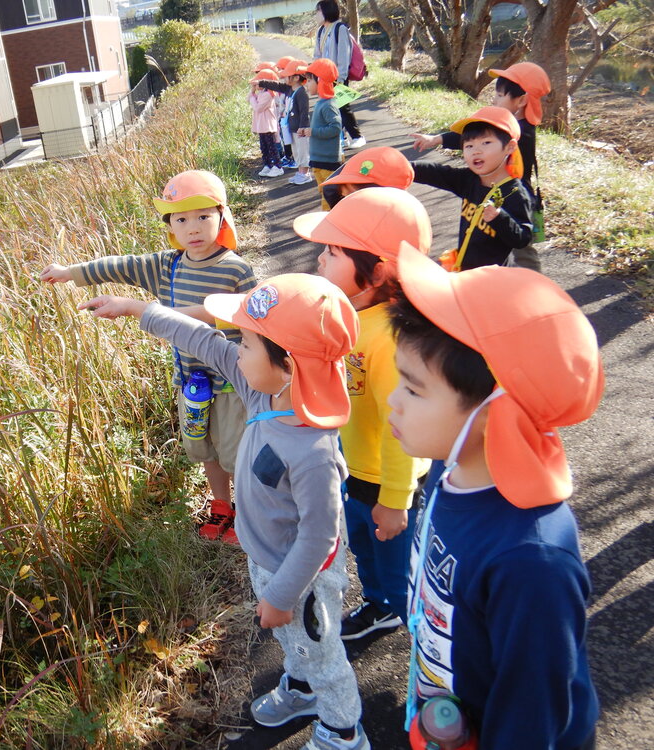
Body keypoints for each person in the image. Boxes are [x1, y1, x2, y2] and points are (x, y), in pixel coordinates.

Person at [79, 274, 369, 750]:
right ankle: (300, 688)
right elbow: (205, 340)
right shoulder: (262, 391)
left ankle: (343, 729)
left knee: (324, 654)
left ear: (289, 365)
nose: (236, 352)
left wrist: (279, 595)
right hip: (270, 559)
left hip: (302, 578)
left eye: (248, 344)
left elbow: (320, 536)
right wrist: (137, 309)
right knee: (299, 646)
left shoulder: (313, 450)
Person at [388, 244, 602, 750]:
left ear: (494, 415)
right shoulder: (451, 464)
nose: (392, 401)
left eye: (414, 390)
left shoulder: (531, 562)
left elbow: (533, 711)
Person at [40, 170, 256, 542]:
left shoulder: (235, 269)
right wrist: (70, 272)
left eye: (203, 216)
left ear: (222, 216)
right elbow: (118, 265)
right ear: (170, 225)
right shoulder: (167, 266)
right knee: (203, 448)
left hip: (232, 382)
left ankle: (250, 517)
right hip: (190, 381)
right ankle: (221, 507)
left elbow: (251, 312)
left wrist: (153, 311)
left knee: (236, 452)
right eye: (181, 218)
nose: (193, 227)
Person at [294, 188, 432, 641]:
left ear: (373, 273)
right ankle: (378, 600)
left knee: (392, 552)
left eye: (332, 253)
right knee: (363, 546)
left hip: (387, 479)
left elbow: (404, 429)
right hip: (354, 467)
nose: (319, 261)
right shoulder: (350, 312)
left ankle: (404, 615)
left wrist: (396, 499)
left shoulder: (388, 339)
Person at [410, 62, 552, 271]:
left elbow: (477, 138)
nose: (494, 100)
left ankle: (531, 286)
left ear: (521, 100)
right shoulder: (475, 174)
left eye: (500, 95)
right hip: (491, 192)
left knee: (522, 252)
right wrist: (437, 140)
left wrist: (438, 140)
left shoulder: (520, 133)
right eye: (470, 146)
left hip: (509, 198)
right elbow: (469, 139)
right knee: (489, 241)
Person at [410, 106, 532, 271]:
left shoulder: (514, 193)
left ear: (510, 147)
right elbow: (437, 173)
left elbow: (522, 238)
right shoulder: (470, 179)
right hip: (464, 269)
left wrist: (499, 218)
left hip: (492, 279)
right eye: (469, 146)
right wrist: (405, 167)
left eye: (486, 143)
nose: (476, 151)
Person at [313, 0, 365, 150]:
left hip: (338, 76)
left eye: (318, 11)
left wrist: (341, 78)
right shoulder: (321, 31)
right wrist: (316, 74)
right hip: (324, 77)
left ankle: (357, 136)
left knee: (342, 107)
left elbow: (344, 55)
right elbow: (317, 54)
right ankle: (343, 138)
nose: (316, 15)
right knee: (331, 108)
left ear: (326, 11)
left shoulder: (340, 28)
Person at [259, 59, 312, 184]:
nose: (285, 79)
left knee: (303, 151)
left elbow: (304, 111)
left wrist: (303, 126)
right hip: (291, 127)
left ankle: (305, 174)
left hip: (300, 129)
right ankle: (300, 172)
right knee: (296, 152)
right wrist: (262, 82)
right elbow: (277, 86)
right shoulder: (289, 89)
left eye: (287, 76)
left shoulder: (301, 93)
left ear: (296, 77)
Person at [321, 146, 415, 208]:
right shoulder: (333, 190)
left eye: (350, 194)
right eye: (343, 195)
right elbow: (330, 188)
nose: (345, 195)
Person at [304, 58, 342, 209]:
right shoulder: (321, 103)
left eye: (308, 81)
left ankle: (329, 223)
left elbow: (335, 128)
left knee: (329, 196)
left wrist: (313, 132)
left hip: (328, 161)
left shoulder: (328, 105)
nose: (306, 84)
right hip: (318, 159)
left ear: (319, 80)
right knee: (324, 192)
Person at [250, 69, 283, 178]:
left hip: (267, 125)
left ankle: (277, 166)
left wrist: (252, 98)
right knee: (264, 147)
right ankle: (267, 164)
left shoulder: (268, 94)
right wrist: (252, 92)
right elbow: (249, 99)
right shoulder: (262, 93)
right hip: (261, 126)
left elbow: (258, 108)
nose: (256, 85)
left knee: (271, 147)